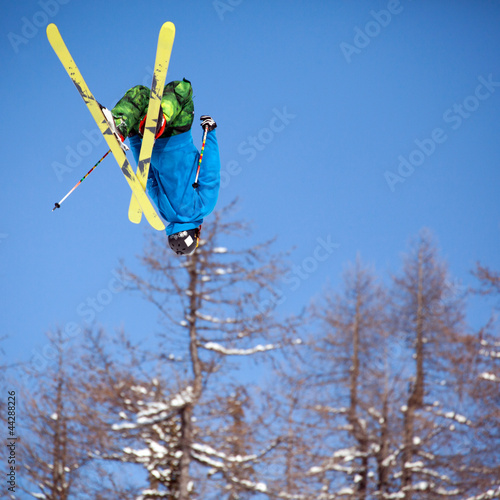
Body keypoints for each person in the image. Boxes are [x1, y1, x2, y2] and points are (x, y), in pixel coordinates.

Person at [102, 79, 220, 256]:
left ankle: (161, 118)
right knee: (140, 94)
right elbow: (148, 177)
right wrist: (134, 139)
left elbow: (210, 172)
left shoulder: (203, 207)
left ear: (197, 232)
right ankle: (122, 124)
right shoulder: (165, 212)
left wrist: (210, 133)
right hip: (153, 146)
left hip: (178, 136)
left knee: (182, 90)